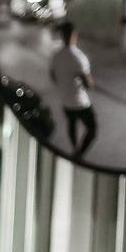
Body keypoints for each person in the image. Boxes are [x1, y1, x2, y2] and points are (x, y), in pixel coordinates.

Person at [51, 19, 97, 159]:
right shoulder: (79, 57)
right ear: (74, 34)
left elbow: (53, 76)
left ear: (62, 35)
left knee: (71, 124)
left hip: (65, 102)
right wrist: (89, 81)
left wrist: (64, 83)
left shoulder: (56, 56)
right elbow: (88, 85)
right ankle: (79, 154)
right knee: (92, 129)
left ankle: (75, 147)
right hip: (80, 103)